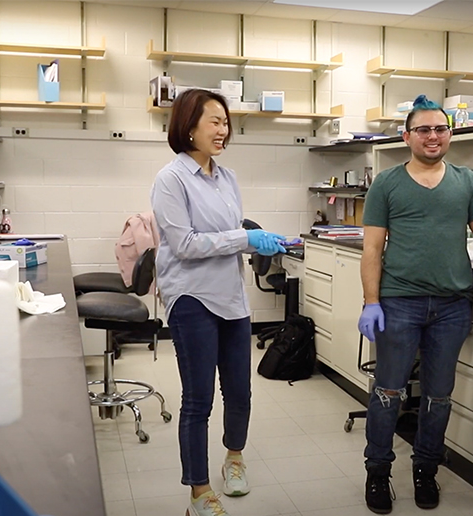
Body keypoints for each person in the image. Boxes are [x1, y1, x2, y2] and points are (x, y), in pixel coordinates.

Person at [358, 95, 473, 514]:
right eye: (424, 130)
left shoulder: (466, 181)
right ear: (407, 136)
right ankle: (377, 471)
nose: (433, 136)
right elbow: (372, 250)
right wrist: (371, 301)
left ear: (449, 134)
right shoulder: (388, 183)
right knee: (388, 392)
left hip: (452, 305)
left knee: (439, 396)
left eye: (440, 129)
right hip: (399, 303)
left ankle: (425, 470)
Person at [151, 88, 286, 516]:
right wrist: (246, 237)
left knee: (241, 393)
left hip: (231, 296)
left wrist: (256, 244)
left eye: (226, 122)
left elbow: (224, 240)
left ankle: (234, 459)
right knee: (198, 400)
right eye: (215, 121)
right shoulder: (170, 180)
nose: (223, 129)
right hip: (191, 297)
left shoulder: (226, 178)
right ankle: (199, 493)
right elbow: (186, 244)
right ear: (188, 126)